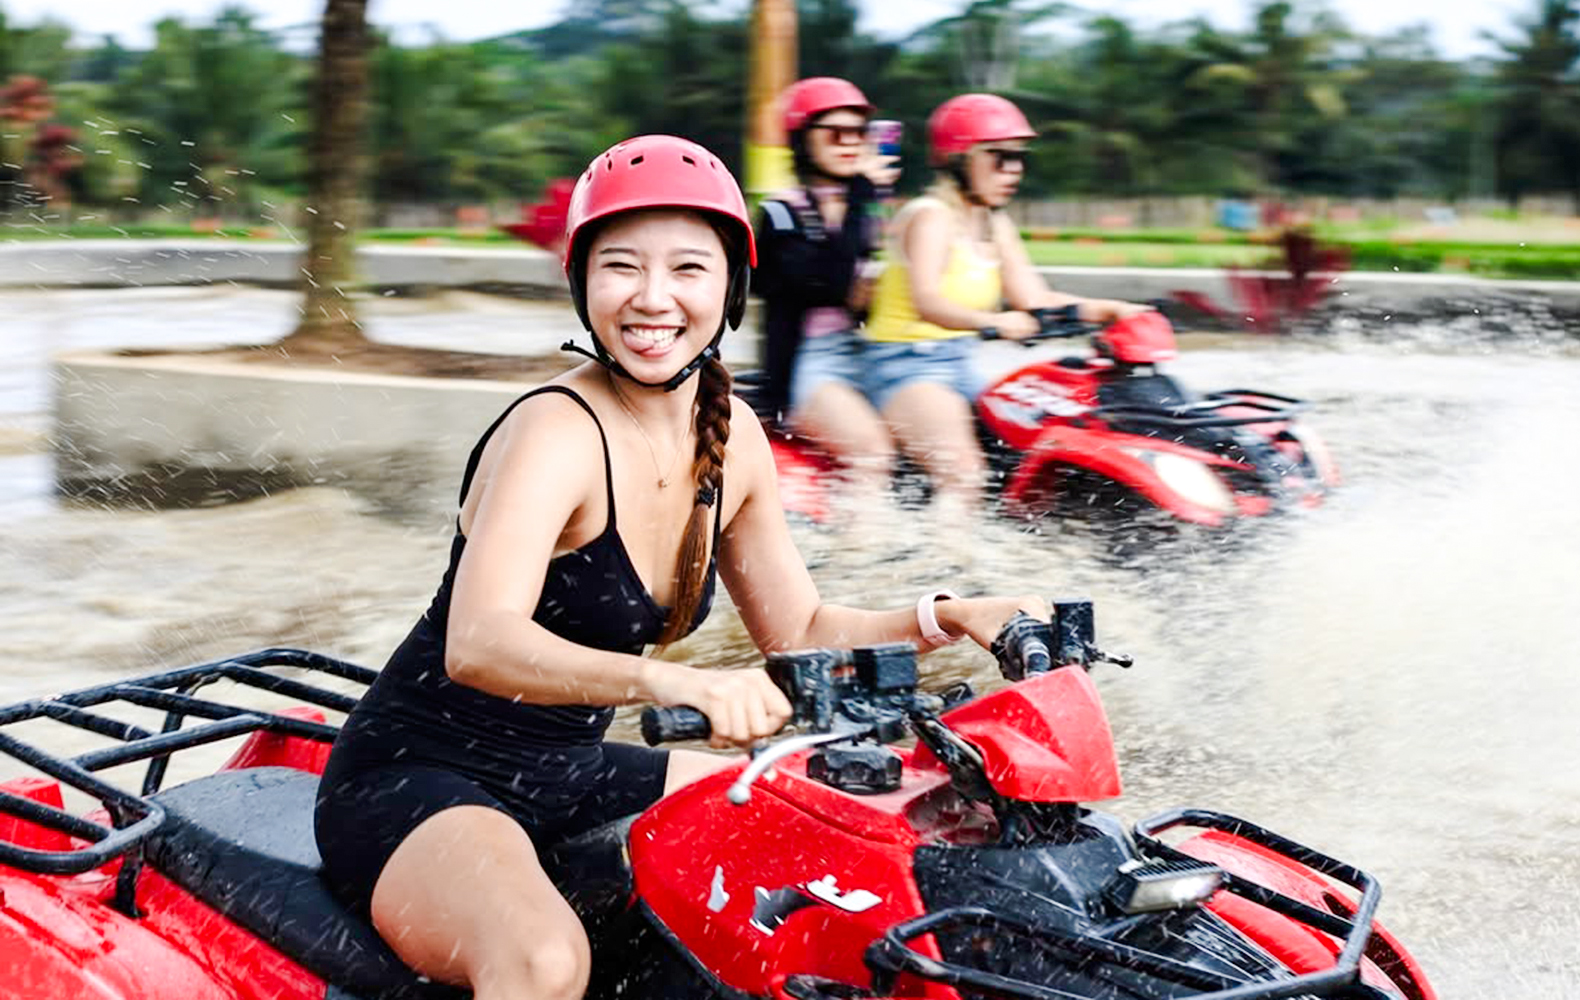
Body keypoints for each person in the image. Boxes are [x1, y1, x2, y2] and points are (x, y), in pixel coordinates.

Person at [313, 134, 1048, 1000]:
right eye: (621, 266)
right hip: (422, 780)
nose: (653, 299)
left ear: (730, 287)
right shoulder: (554, 433)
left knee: (830, 827)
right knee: (546, 965)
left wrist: (950, 617)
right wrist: (675, 686)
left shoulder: (731, 437)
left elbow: (803, 632)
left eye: (688, 270)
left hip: (572, 772)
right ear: (583, 283)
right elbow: (480, 643)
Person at [860, 94, 1148, 517]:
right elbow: (928, 301)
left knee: (1033, 442)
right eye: (999, 157)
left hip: (959, 362)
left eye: (1018, 158)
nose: (1013, 170)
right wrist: (992, 322)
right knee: (963, 475)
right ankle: (936, 575)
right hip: (903, 364)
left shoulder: (994, 222)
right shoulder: (930, 216)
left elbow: (1035, 299)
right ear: (959, 159)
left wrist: (1116, 310)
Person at [753, 76, 899, 494]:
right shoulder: (781, 213)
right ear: (803, 140)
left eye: (860, 133)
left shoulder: (865, 208)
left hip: (868, 351)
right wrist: (861, 195)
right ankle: (860, 557)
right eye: (837, 133)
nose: (852, 143)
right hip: (807, 365)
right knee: (872, 453)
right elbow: (833, 284)